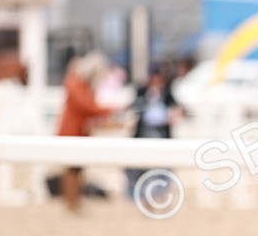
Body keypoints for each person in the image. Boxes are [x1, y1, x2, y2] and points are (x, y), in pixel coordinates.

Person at [56, 51, 112, 213]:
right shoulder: (76, 83)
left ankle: (75, 201)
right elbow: (87, 106)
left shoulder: (82, 84)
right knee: (71, 169)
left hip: (80, 131)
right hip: (71, 131)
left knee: (78, 169)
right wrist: (108, 111)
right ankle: (70, 202)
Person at [125, 66, 181, 200]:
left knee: (163, 166)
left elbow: (179, 109)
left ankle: (159, 194)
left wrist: (172, 115)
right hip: (143, 134)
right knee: (137, 166)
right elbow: (131, 108)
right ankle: (137, 194)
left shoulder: (167, 93)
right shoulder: (142, 92)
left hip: (161, 134)